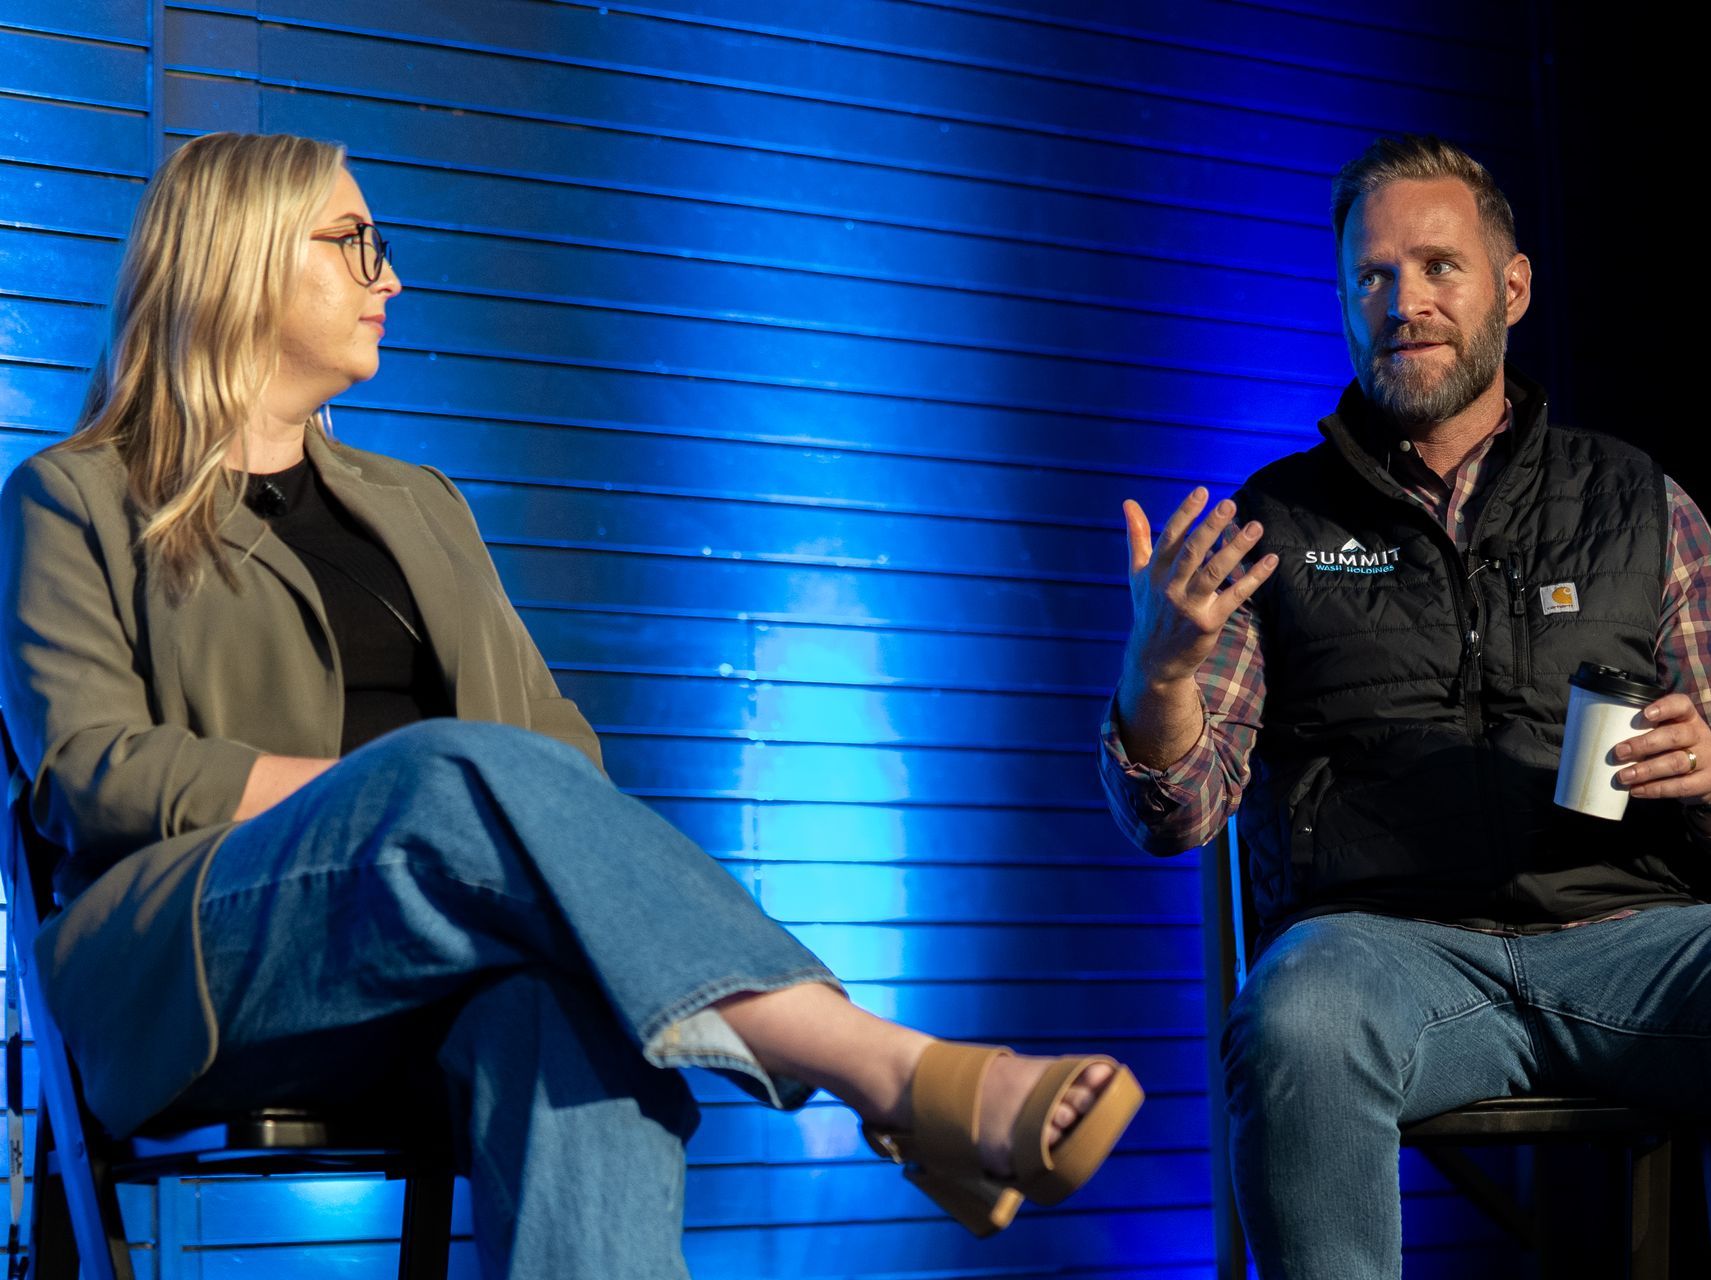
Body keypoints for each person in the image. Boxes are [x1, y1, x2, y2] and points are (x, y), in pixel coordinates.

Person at [0, 131, 1143, 1280]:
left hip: (430, 959)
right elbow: (90, 771)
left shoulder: (422, 505)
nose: (389, 278)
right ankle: (893, 1072)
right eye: (354, 244)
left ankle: (889, 1079)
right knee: (441, 775)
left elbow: (556, 750)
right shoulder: (72, 496)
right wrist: (375, 803)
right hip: (194, 964)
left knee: (571, 1023)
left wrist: (433, 811)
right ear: (237, 260)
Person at [1102, 134, 1711, 1278]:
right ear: (1343, 299)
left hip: (1632, 948)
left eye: (1439, 267)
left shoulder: (1641, 502)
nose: (1406, 302)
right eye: (1374, 276)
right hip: (1388, 957)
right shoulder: (1272, 523)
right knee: (1298, 1014)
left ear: (1514, 287)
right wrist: (1160, 674)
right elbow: (1175, 813)